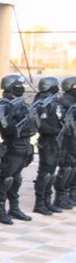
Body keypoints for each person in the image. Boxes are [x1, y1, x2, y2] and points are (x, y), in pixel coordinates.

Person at [0, 74, 35, 225]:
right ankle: (0, 211)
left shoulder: (21, 103)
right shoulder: (3, 105)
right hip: (12, 146)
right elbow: (6, 128)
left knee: (17, 179)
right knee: (6, 178)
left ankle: (14, 208)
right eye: (17, 85)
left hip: (24, 145)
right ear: (9, 87)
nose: (21, 88)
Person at [32, 77, 63, 215]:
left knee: (51, 173)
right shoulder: (42, 103)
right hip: (47, 142)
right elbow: (41, 125)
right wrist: (56, 130)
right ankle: (40, 203)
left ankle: (47, 200)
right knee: (45, 173)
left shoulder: (54, 101)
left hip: (56, 141)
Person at [55, 76, 76, 209]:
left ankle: (71, 193)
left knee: (73, 167)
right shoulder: (63, 102)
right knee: (67, 167)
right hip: (67, 140)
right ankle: (61, 196)